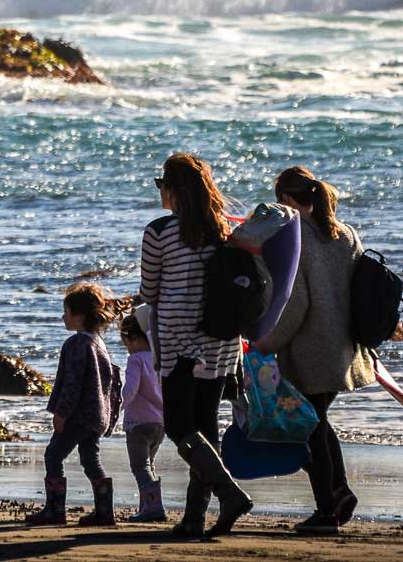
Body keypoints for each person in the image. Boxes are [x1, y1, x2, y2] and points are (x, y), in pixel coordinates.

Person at [138, 152, 254, 538]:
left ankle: (228, 493)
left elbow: (149, 291)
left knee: (178, 425)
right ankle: (193, 518)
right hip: (222, 342)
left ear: (172, 189)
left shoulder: (158, 233)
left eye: (160, 185)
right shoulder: (223, 230)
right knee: (206, 425)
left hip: (179, 342)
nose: (160, 193)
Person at [258, 166, 375, 536]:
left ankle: (328, 511)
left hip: (310, 349)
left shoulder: (298, 237)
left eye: (281, 202)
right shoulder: (345, 233)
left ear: (289, 200)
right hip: (341, 345)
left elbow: (296, 304)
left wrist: (266, 343)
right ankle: (338, 494)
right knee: (318, 424)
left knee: (311, 429)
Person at [26, 282, 123, 527]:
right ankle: (104, 512)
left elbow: (73, 383)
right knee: (90, 458)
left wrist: (61, 413)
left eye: (66, 312)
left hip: (78, 415)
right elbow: (113, 383)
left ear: (78, 316)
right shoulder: (99, 343)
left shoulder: (78, 343)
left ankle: (55, 510)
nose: (63, 317)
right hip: (96, 415)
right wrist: (108, 416)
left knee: (53, 455)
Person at [118, 313, 167, 523]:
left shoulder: (136, 360)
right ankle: (147, 505)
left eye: (126, 343)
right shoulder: (159, 359)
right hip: (160, 423)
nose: (127, 348)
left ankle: (154, 506)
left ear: (135, 339)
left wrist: (116, 406)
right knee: (149, 465)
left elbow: (130, 391)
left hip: (138, 423)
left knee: (140, 466)